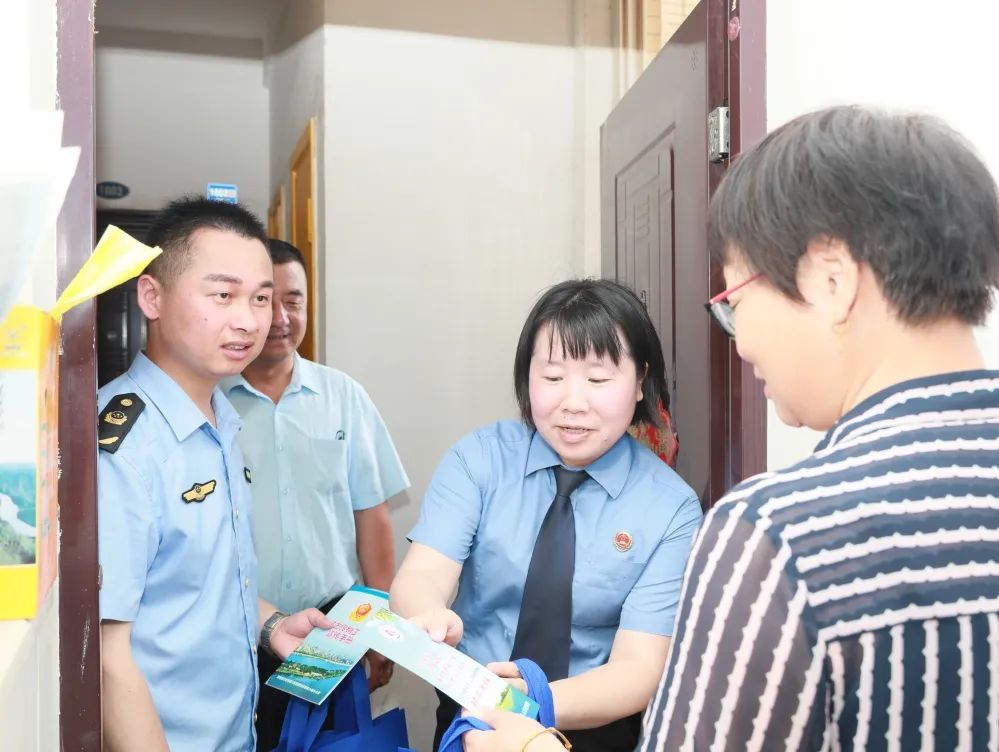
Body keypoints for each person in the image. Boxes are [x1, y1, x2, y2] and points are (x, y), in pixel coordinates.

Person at [467, 106, 999, 751]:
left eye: (737, 301)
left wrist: (530, 746)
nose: (741, 343)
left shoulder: (778, 534)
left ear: (832, 280)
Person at [390, 278, 702, 752]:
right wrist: (428, 614)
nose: (572, 403)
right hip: (474, 718)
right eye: (553, 378)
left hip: (593, 726)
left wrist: (527, 699)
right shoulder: (480, 460)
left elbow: (639, 667)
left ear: (640, 381)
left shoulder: (671, 508)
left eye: (598, 380)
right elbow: (422, 575)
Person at [98, 197, 332, 752]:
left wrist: (272, 626)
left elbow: (194, 585)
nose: (250, 321)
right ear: (151, 297)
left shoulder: (221, 417)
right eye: (223, 295)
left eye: (260, 298)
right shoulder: (123, 447)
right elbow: (107, 655)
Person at [222, 238, 409, 750]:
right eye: (268, 300)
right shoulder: (211, 400)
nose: (282, 317)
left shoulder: (343, 396)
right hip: (238, 627)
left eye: (295, 300)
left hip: (331, 626)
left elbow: (372, 517)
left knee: (331, 742)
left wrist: (381, 628)